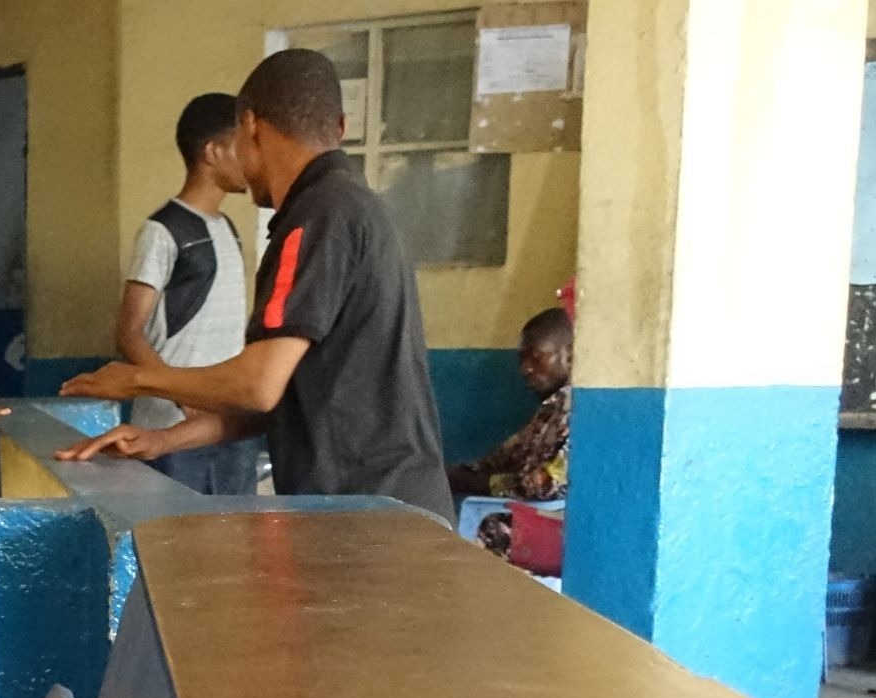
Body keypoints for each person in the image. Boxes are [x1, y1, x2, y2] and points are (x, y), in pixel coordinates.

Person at [56, 49, 451, 518]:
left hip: (369, 516)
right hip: (389, 507)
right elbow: (278, 401)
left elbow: (258, 385)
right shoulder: (353, 206)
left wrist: (136, 379)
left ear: (249, 126)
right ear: (341, 128)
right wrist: (162, 439)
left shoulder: (317, 217)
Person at [115, 93, 260, 496]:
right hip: (171, 430)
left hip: (228, 426)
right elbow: (128, 333)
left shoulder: (228, 228)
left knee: (236, 531)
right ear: (212, 152)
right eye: (241, 145)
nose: (251, 157)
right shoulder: (163, 231)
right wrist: (186, 400)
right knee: (176, 533)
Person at [449, 307, 573, 556]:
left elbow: (547, 484)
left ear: (570, 355)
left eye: (535, 357)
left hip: (550, 529)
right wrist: (453, 473)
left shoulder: (578, 410)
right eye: (522, 359)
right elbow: (506, 455)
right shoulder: (552, 407)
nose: (525, 368)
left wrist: (481, 483)